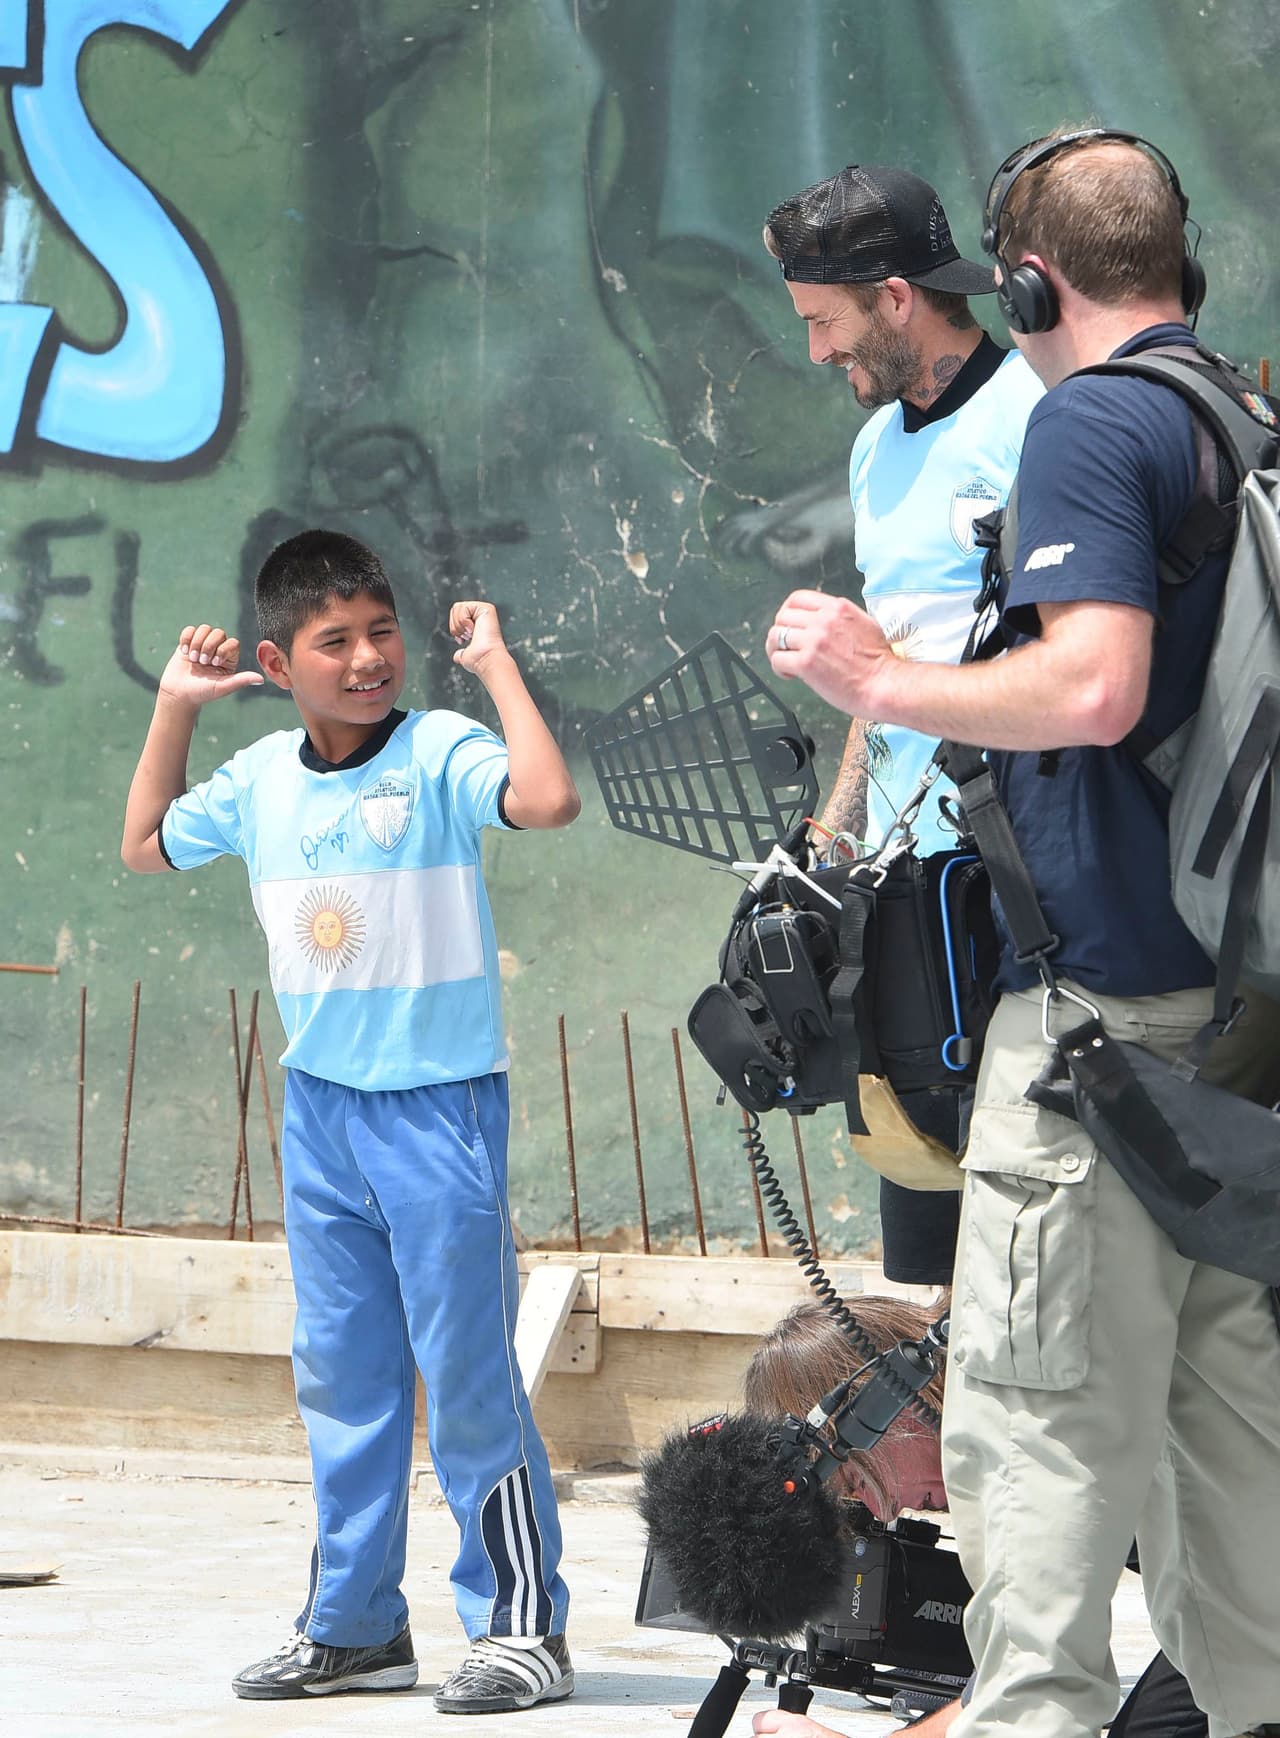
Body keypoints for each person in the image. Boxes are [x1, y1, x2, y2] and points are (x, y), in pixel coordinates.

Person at [765, 130, 1280, 1738]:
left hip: (1103, 1024)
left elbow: (1096, 684)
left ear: (1032, 280)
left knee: (1037, 1433)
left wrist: (879, 678)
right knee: (1226, 1420)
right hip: (1232, 1017)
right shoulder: (1244, 417)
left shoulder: (1085, 426)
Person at [120, 529, 580, 1713]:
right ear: (280, 663)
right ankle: (356, 1625)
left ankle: (521, 1625)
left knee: (469, 1372)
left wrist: (495, 667)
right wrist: (174, 705)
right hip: (319, 1117)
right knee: (343, 1376)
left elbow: (546, 796)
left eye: (382, 632)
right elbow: (145, 844)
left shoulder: (438, 750)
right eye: (336, 641)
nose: (370, 657)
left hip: (439, 1115)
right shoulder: (261, 780)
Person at [761, 164, 1042, 1286]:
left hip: (1019, 889)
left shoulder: (1037, 416)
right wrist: (826, 853)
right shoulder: (876, 446)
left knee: (1026, 1243)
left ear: (891, 296)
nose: (817, 352)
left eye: (824, 322)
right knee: (929, 1256)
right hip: (902, 893)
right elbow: (878, 673)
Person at [740, 1302, 1205, 1738]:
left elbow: (1032, 1682)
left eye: (858, 1482)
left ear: (885, 1400)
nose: (884, 1511)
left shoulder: (1033, 1426)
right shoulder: (1012, 1393)